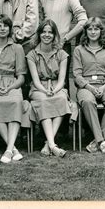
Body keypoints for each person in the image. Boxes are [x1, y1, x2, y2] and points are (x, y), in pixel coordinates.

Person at [0, 14, 30, 163]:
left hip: (11, 83)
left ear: (10, 29)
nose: (2, 28)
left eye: (5, 26)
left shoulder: (17, 48)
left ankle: (8, 149)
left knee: (16, 102)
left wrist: (10, 88)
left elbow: (21, 76)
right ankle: (13, 148)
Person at [27, 19, 74, 158]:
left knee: (61, 99)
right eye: (44, 32)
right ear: (39, 34)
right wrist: (44, 90)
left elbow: (62, 79)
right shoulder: (32, 55)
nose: (47, 35)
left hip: (56, 87)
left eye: (50, 32)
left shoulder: (62, 54)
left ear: (54, 35)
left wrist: (55, 90)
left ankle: (49, 143)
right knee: (43, 101)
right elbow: (35, 80)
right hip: (39, 87)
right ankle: (53, 145)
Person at [73, 17, 105, 154]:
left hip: (104, 85)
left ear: (101, 31)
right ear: (86, 31)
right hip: (86, 86)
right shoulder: (78, 50)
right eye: (90, 29)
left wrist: (104, 86)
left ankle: (99, 140)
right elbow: (77, 74)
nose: (93, 32)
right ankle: (102, 142)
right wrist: (90, 87)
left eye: (96, 29)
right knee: (87, 101)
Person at [39, 0, 88, 89]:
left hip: (62, 46)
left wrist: (66, 38)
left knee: (62, 83)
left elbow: (83, 20)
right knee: (46, 80)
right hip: (45, 45)